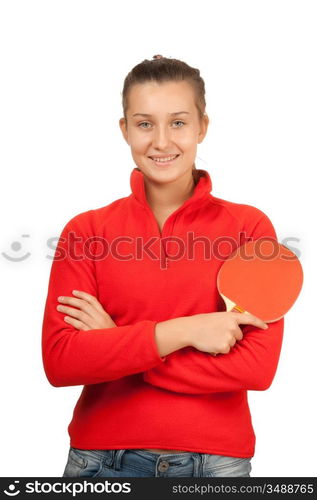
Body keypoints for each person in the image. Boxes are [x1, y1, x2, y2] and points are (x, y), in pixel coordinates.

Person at [41, 55, 284, 478]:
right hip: (100, 460)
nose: (161, 142)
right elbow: (62, 361)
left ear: (202, 127)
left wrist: (115, 343)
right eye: (144, 123)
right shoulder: (86, 231)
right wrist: (184, 332)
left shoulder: (249, 228)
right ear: (125, 130)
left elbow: (255, 369)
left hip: (217, 465)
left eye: (178, 122)